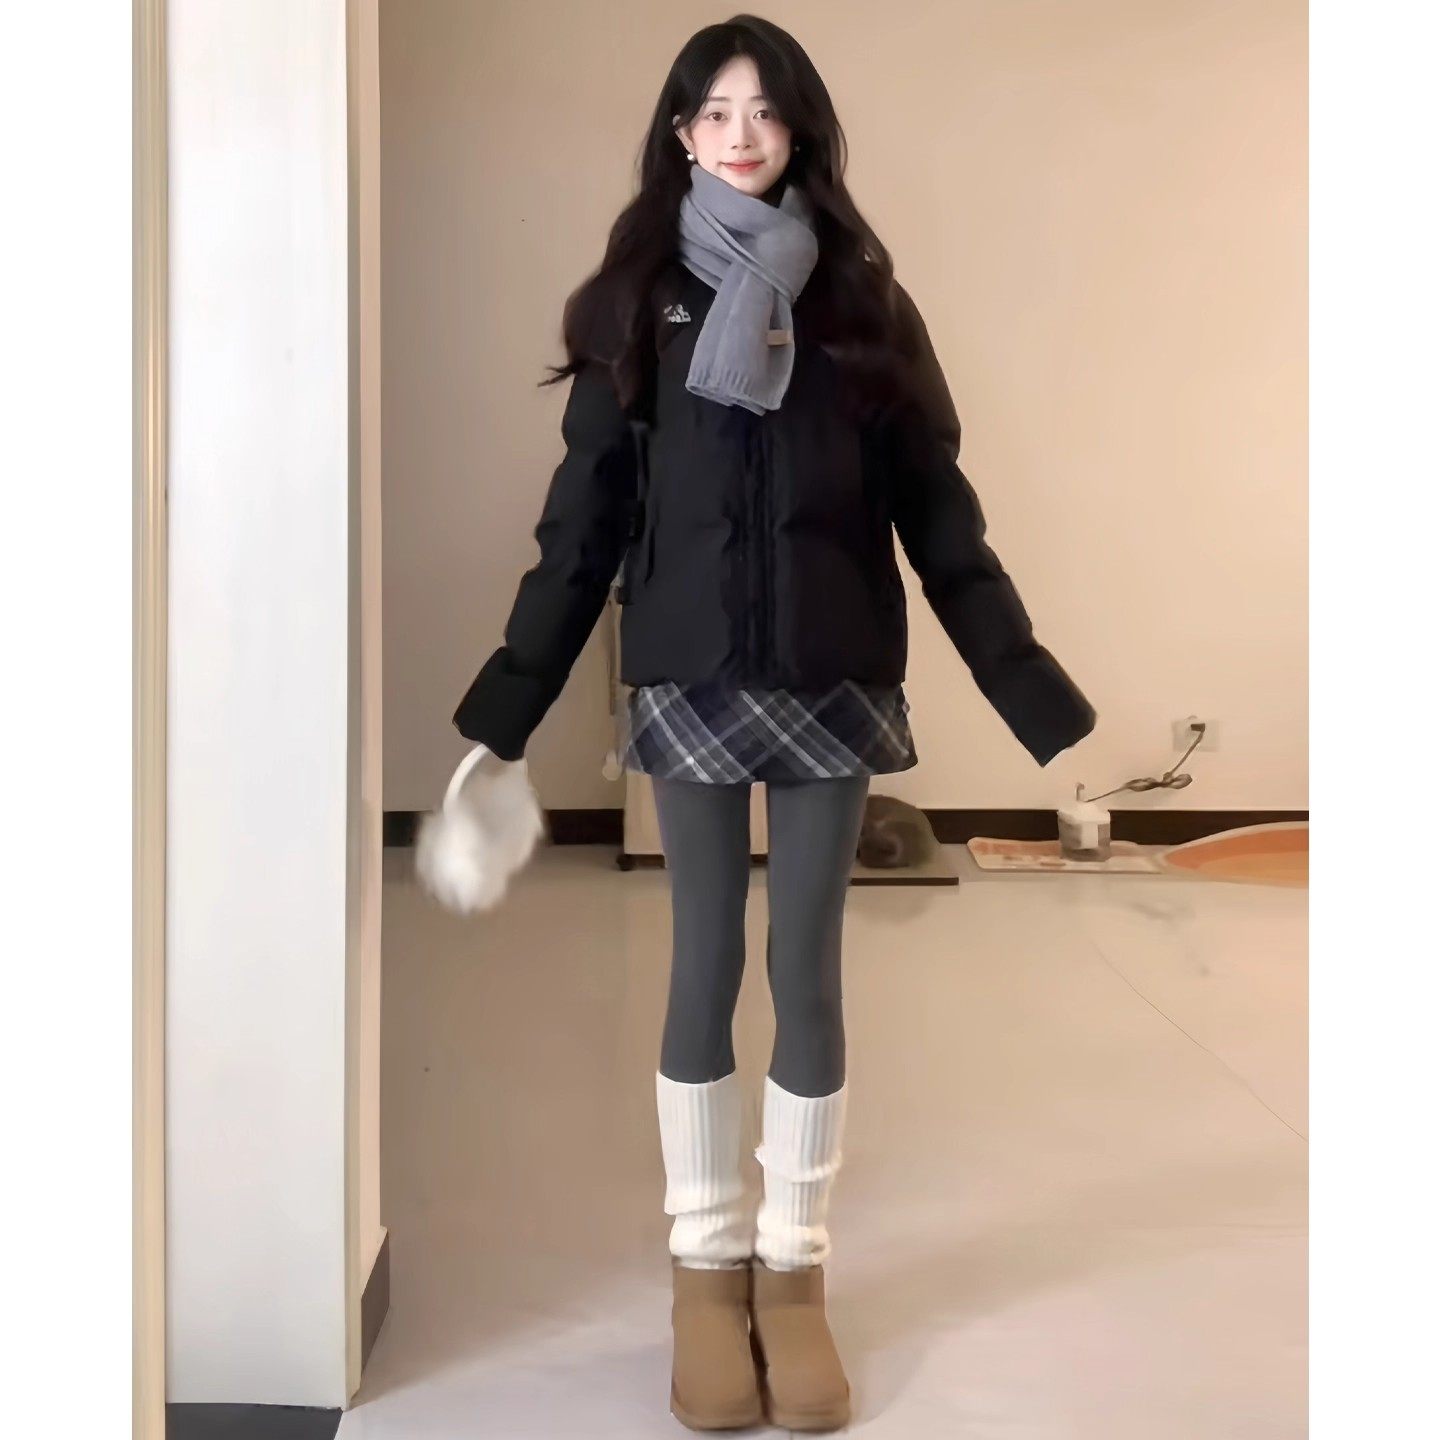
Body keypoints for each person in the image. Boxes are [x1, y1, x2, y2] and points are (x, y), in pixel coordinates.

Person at [451, 16, 1096, 1432]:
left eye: (765, 110)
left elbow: (938, 512)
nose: (740, 134)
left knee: (806, 974)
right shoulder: (635, 300)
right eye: (714, 110)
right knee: (701, 967)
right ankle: (705, 1272)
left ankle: (794, 1274)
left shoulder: (863, 302)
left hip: (832, 676)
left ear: (801, 129)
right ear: (680, 134)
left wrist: (1032, 692)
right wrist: (507, 709)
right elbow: (583, 527)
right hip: (689, 675)